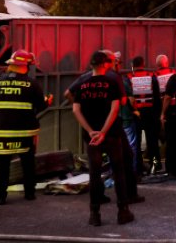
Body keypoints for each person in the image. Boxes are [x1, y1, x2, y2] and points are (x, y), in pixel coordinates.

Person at [72, 50, 134, 226]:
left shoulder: (82, 84)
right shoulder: (112, 82)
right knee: (118, 170)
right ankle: (123, 211)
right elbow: (115, 109)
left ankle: (95, 214)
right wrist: (103, 132)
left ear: (91, 64)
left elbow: (76, 110)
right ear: (105, 64)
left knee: (94, 172)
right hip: (111, 134)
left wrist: (92, 131)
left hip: (91, 137)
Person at [0, 49, 48, 205]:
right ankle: (30, 194)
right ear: (25, 65)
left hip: (1, 131)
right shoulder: (32, 84)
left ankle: (0, 197)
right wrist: (47, 101)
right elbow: (41, 106)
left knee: (3, 165)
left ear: (11, 65)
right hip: (25, 132)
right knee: (28, 163)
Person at [128, 56, 160, 176]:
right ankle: (155, 165)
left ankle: (138, 167)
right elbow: (157, 96)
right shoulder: (151, 76)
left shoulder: (129, 78)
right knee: (152, 141)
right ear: (143, 64)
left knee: (135, 142)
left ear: (133, 65)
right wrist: (157, 114)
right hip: (150, 113)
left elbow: (127, 98)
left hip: (136, 113)